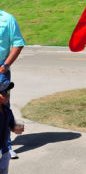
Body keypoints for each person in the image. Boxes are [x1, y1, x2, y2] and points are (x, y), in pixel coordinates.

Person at [0, 10, 25, 159]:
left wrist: (5, 66)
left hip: (0, 71)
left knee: (3, 109)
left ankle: (6, 147)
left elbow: (18, 43)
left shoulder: (7, 19)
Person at [0, 80, 24, 173]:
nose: (8, 95)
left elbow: (11, 126)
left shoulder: (7, 111)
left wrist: (15, 129)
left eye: (9, 92)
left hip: (4, 151)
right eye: (5, 92)